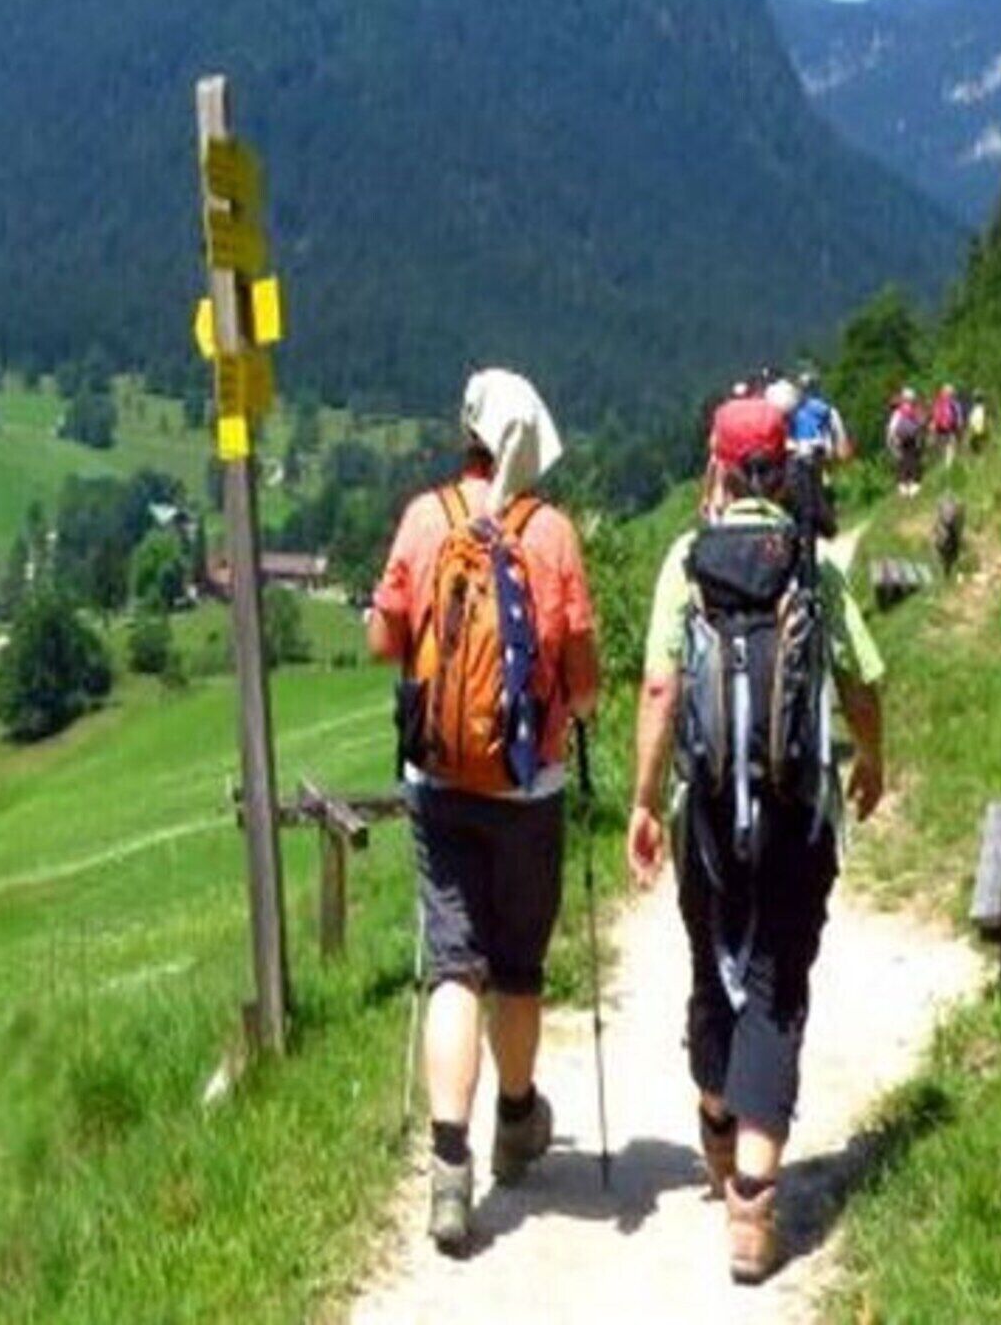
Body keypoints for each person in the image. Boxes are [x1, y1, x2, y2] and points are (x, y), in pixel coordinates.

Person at [625, 395, 888, 1285]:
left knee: (712, 969)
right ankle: (751, 1215)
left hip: (706, 816)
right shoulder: (811, 567)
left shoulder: (685, 561)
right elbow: (860, 678)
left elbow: (661, 689)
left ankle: (716, 1130)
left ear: (718, 467)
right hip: (796, 814)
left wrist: (643, 802)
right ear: (783, 466)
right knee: (776, 984)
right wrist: (874, 761)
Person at [366, 367, 603, 1256]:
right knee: (519, 966)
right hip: (528, 788)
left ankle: (449, 1172)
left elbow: (386, 638)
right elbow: (581, 687)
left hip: (437, 782)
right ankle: (516, 1117)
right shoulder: (552, 535)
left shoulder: (426, 518)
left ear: (464, 431)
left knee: (453, 965)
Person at [885, 387, 926, 496]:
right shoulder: (914, 410)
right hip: (912, 438)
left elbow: (892, 427)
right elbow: (920, 423)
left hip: (901, 439)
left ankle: (903, 486)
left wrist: (891, 440)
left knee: (902, 461)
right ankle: (914, 485)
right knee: (913, 460)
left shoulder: (898, 411)